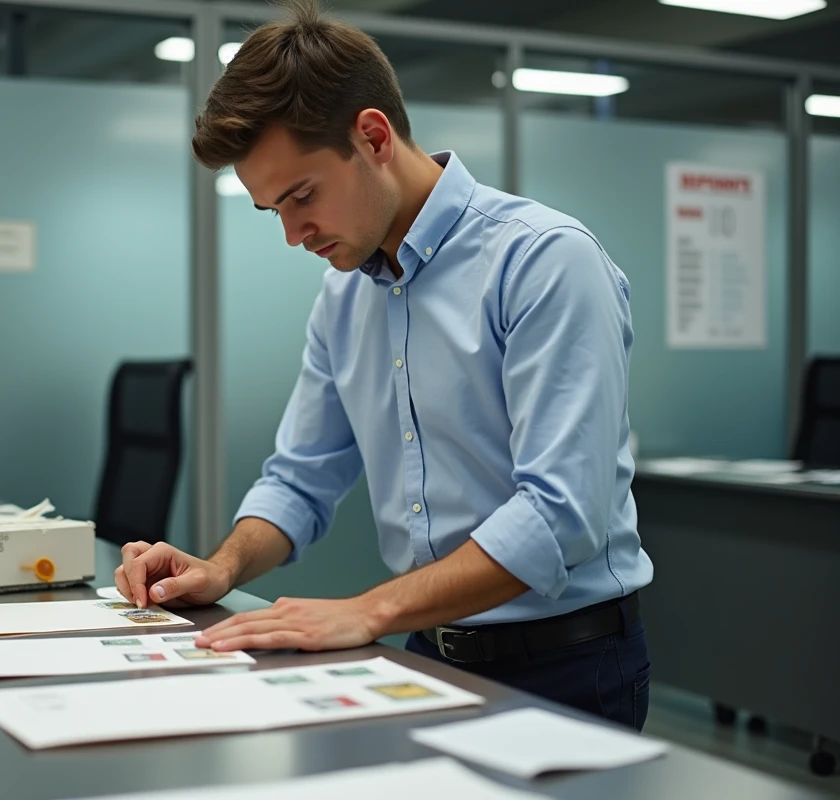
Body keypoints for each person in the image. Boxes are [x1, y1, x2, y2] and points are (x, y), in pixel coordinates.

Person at [114, 0, 653, 730]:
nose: (293, 234)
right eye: (272, 210)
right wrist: (223, 567)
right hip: (428, 651)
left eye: (302, 196)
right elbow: (299, 479)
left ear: (372, 137)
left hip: (566, 663)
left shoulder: (543, 262)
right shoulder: (344, 296)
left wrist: (367, 610)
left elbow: (560, 516)